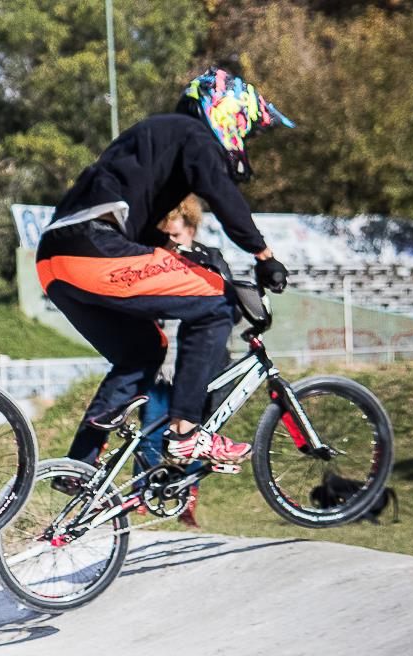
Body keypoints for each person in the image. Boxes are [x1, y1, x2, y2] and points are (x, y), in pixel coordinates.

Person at [36, 67, 292, 474]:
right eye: (247, 131)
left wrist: (176, 254)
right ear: (228, 113)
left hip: (56, 261)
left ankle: (78, 466)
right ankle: (188, 431)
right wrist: (264, 255)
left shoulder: (157, 139)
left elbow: (133, 226)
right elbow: (221, 195)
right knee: (215, 300)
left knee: (144, 351)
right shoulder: (194, 136)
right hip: (92, 247)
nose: (244, 142)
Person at [135, 197, 234, 528]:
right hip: (163, 368)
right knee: (152, 431)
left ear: (190, 229)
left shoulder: (212, 259)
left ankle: (186, 496)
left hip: (202, 366)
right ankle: (143, 494)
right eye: (166, 236)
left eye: (175, 236)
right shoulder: (158, 260)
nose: (170, 242)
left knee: (195, 434)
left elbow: (227, 304)